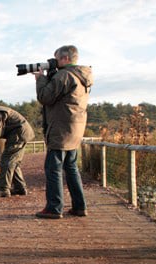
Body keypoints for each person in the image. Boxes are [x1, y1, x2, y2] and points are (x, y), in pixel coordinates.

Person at [33, 45, 93, 219]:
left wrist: (40, 79)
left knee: (53, 168)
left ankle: (54, 207)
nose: (55, 62)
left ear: (66, 59)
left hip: (61, 129)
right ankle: (79, 206)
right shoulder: (82, 75)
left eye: (57, 59)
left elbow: (45, 97)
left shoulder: (65, 75)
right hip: (74, 127)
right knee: (71, 167)